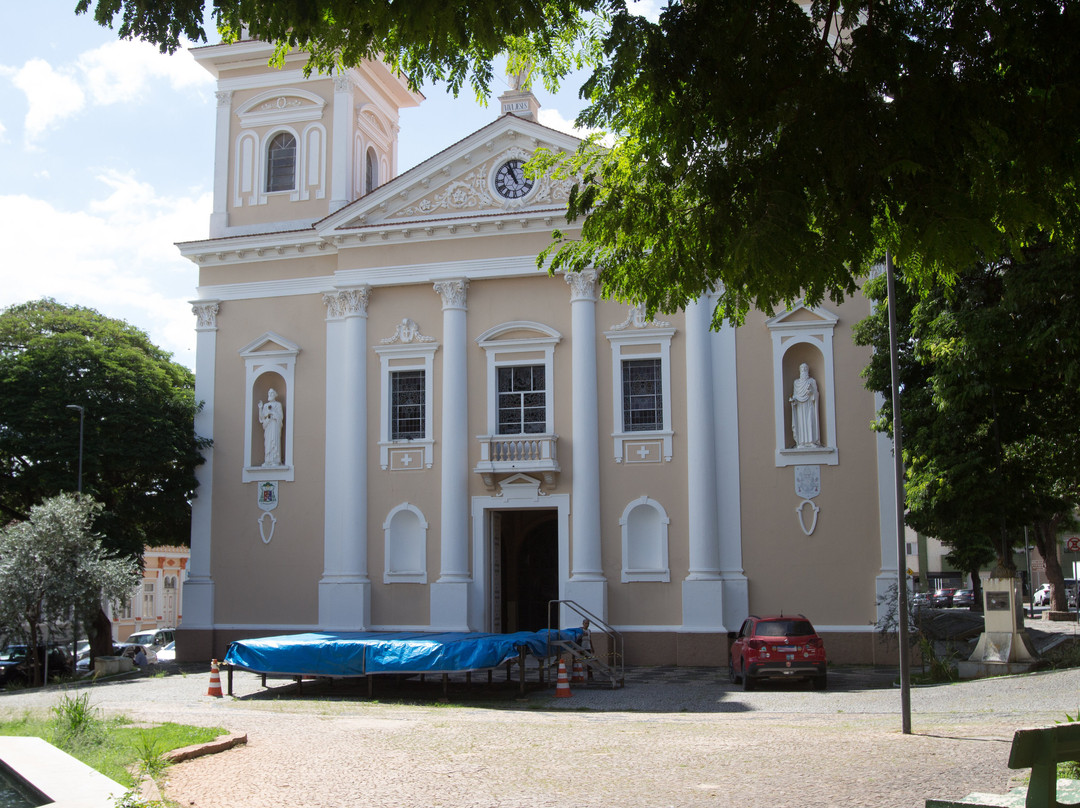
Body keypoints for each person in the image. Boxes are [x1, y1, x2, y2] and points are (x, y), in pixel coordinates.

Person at [789, 363, 821, 448]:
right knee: (801, 423)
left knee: (810, 421)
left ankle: (811, 441)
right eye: (802, 369)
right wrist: (793, 400)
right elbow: (795, 395)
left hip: (809, 404)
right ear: (800, 371)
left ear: (808, 370)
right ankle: (801, 442)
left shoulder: (811, 381)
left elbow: (816, 395)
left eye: (805, 368)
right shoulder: (796, 383)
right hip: (800, 406)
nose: (803, 370)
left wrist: (811, 392)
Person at [258, 388, 284, 466]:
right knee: (268, 442)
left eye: (272, 393)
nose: (270, 395)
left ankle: (275, 460)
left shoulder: (278, 404)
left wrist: (272, 412)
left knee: (274, 440)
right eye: (269, 393)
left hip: (275, 425)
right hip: (268, 425)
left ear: (275, 395)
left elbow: (280, 416)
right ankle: (268, 460)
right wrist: (260, 408)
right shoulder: (265, 405)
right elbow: (262, 417)